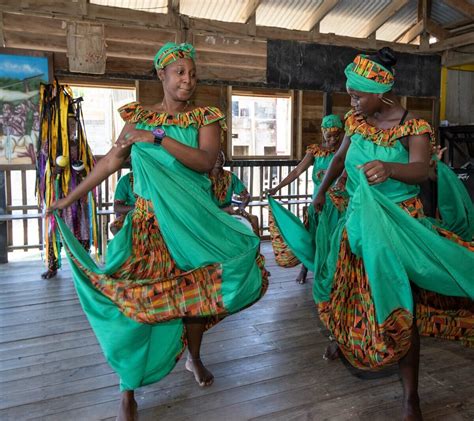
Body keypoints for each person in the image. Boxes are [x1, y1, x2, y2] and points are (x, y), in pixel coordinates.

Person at [47, 42, 269, 421]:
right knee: (133, 303)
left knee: (196, 297)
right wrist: (69, 199)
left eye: (193, 73)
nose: (188, 79)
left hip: (192, 226)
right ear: (161, 75)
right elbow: (110, 162)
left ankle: (194, 359)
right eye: (180, 72)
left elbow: (204, 163)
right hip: (147, 229)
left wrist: (158, 138)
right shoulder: (137, 119)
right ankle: (127, 388)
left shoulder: (205, 118)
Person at [271, 47, 473, 420]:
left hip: (398, 229)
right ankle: (344, 339)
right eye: (350, 94)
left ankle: (410, 395)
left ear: (381, 93)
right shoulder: (355, 121)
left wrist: (389, 169)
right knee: (345, 291)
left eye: (359, 95)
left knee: (398, 304)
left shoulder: (414, 126)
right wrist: (318, 194)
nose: (353, 101)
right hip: (357, 225)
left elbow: (421, 170)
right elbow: (337, 160)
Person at [266, 114, 346, 283]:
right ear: (322, 132)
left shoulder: (343, 153)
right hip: (317, 204)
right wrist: (276, 188)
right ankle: (305, 269)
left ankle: (333, 275)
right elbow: (296, 172)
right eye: (329, 135)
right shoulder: (315, 152)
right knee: (313, 237)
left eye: (337, 135)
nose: (333, 139)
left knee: (334, 240)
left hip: (337, 206)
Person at [209, 150, 259, 235]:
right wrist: (224, 210)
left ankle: (256, 248)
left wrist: (242, 207)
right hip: (211, 212)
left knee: (254, 219)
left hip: (229, 210)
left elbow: (246, 195)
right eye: (216, 156)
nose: (219, 159)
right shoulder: (204, 177)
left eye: (221, 157)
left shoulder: (230, 176)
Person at [110, 169, 137, 235]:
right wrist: (138, 208)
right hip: (132, 215)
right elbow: (117, 207)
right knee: (115, 227)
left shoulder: (156, 179)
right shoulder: (126, 179)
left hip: (154, 215)